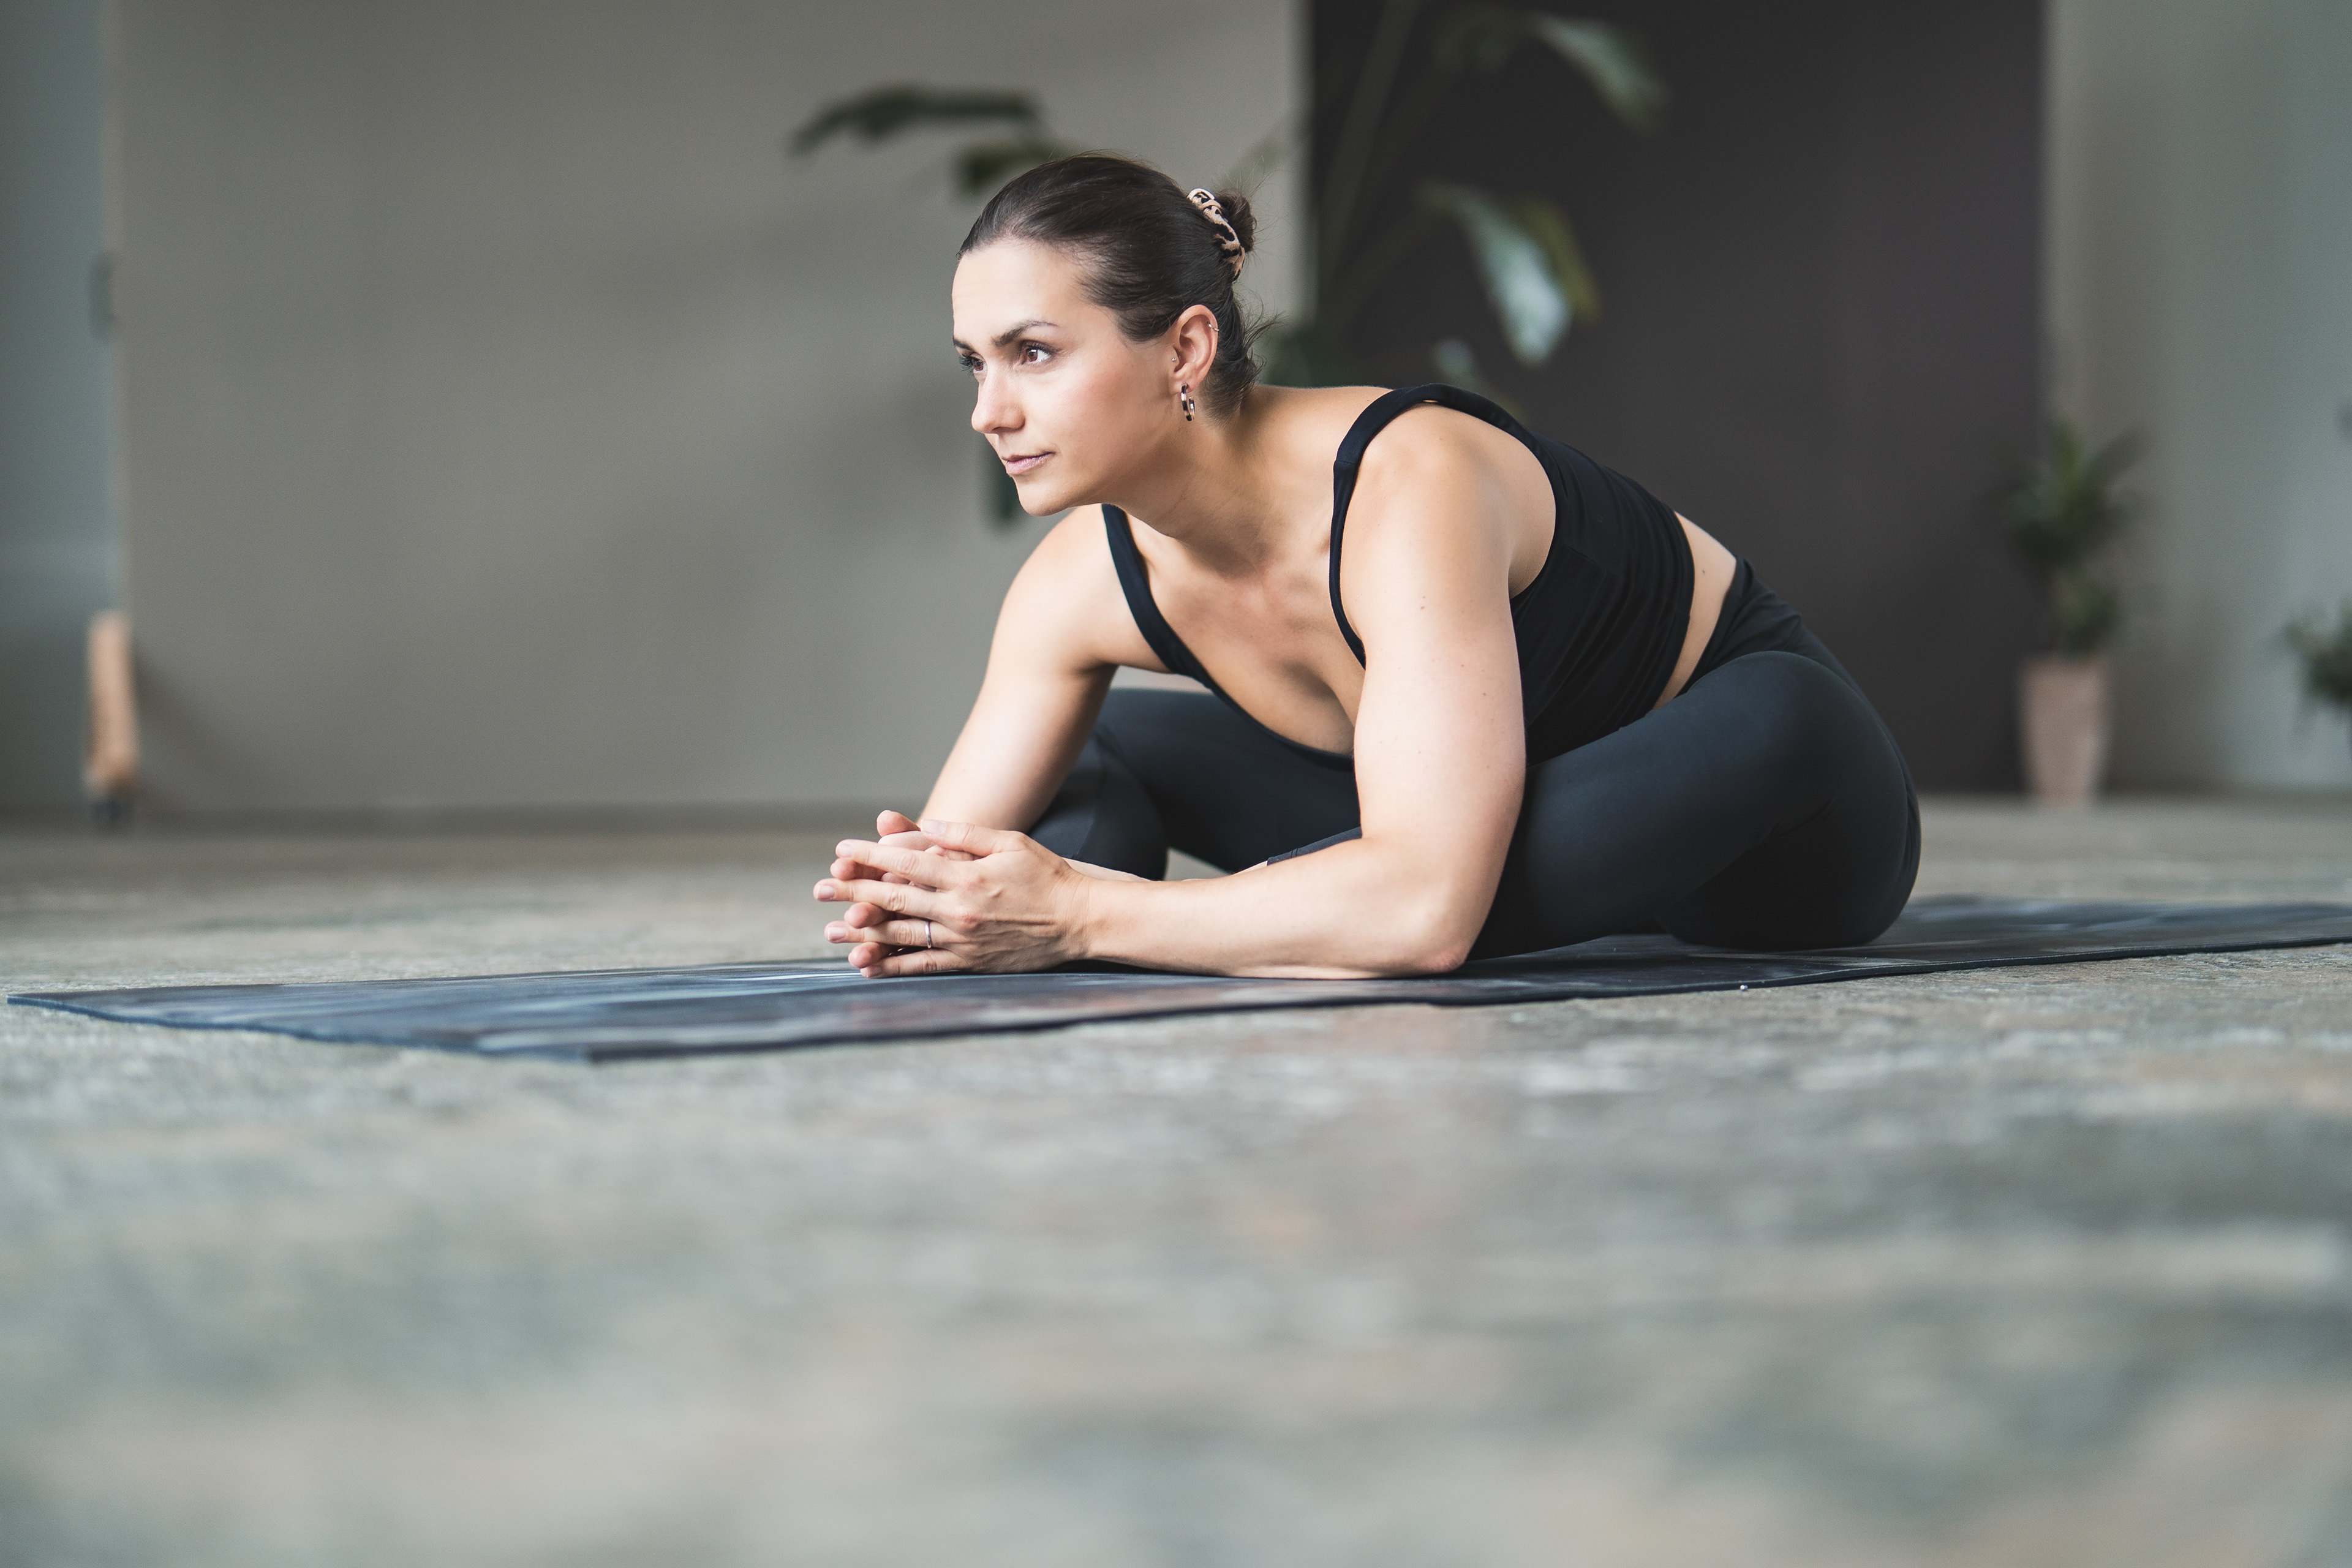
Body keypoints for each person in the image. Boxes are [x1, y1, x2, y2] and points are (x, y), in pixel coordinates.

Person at [814, 154, 1918, 979]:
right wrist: (934, 903)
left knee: (1771, 717)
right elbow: (933, 868)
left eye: (1034, 354)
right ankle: (1329, 897)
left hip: (1762, 821)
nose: (987, 411)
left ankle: (1312, 899)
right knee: (1096, 756)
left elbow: (1429, 913)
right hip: (1473, 824)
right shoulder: (1076, 586)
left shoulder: (1406, 480)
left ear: (1187, 349)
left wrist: (1077, 909)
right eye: (976, 362)